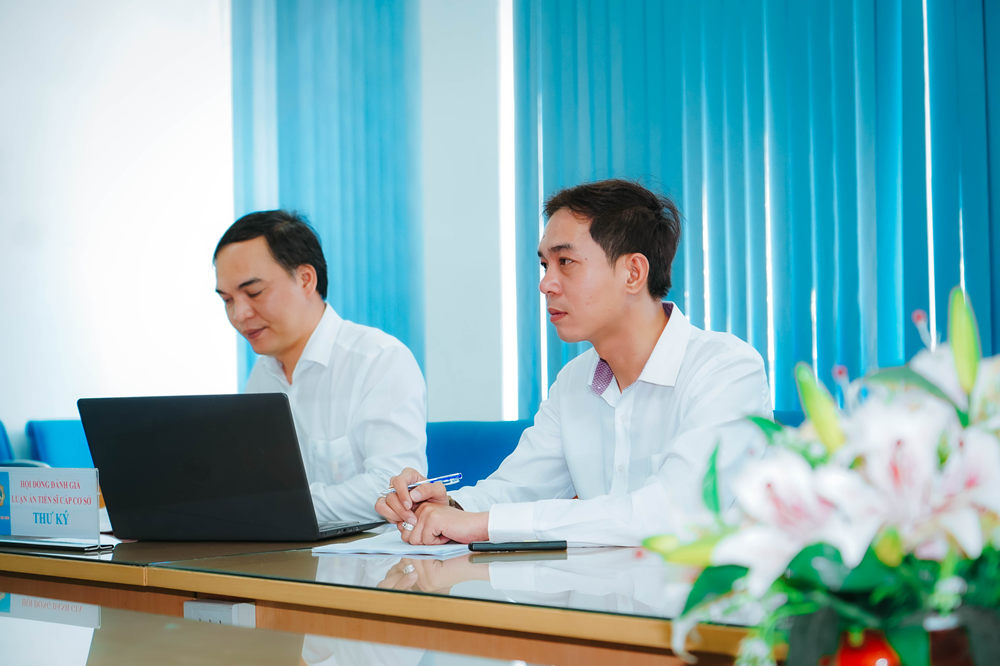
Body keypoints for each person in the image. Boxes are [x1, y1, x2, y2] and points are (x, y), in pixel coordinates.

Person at [376, 179, 771, 546]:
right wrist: (445, 508)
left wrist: (481, 524)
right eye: (545, 265)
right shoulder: (574, 381)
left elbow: (672, 514)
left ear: (633, 273)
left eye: (565, 261)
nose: (546, 284)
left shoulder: (726, 371)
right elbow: (516, 488)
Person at [214, 210, 427, 523]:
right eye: (227, 300)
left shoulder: (379, 360)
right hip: (285, 548)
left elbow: (392, 489)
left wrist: (274, 506)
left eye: (254, 293)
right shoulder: (262, 374)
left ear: (305, 279)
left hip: (372, 552)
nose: (239, 314)